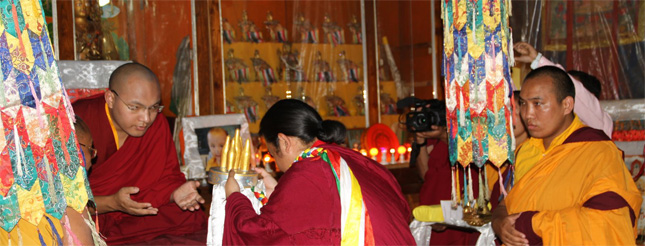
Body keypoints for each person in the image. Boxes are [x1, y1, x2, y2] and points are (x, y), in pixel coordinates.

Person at [223, 99, 416, 244]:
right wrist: (280, 189)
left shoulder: (306, 171)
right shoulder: (352, 158)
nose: (276, 164)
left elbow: (258, 233)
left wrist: (234, 197)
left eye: (273, 154)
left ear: (284, 142)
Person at [491, 66, 641, 245]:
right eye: (523, 103)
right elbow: (506, 203)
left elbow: (609, 222)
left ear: (567, 105)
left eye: (537, 104)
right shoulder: (527, 150)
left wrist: (534, 225)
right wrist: (499, 223)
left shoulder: (597, 151)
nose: (527, 114)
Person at [73, 63, 207, 244]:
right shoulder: (78, 119)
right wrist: (112, 202)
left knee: (189, 217)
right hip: (95, 211)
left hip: (135, 210)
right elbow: (61, 197)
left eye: (153, 108)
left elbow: (164, 177)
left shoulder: (156, 123)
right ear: (110, 98)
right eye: (134, 107)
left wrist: (174, 192)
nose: (146, 118)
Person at [513, 42, 612, 137]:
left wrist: (538, 60)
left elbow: (582, 98)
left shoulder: (600, 127)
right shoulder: (538, 141)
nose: (529, 114)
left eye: (537, 103)